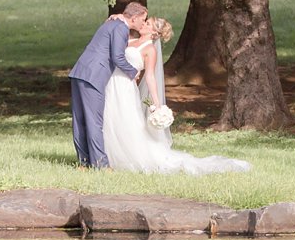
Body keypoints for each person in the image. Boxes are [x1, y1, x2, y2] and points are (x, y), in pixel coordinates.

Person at [102, 16, 250, 176]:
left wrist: (157, 103)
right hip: (112, 85)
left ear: (154, 32)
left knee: (125, 121)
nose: (143, 24)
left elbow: (150, 76)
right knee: (109, 118)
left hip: (126, 89)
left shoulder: (149, 50)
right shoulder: (130, 40)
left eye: (148, 23)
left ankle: (124, 157)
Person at [69, 3, 148, 168]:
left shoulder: (112, 23)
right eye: (143, 19)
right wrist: (134, 72)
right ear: (133, 18)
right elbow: (118, 57)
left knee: (80, 119)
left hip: (80, 72)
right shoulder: (121, 28)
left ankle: (84, 162)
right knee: (94, 121)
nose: (143, 23)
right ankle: (101, 164)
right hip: (94, 76)